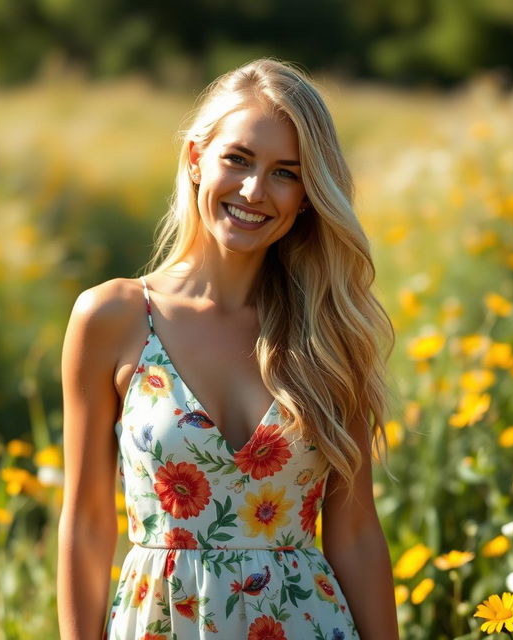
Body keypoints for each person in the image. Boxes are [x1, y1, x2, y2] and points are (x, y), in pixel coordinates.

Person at [58, 58, 399, 640]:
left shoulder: (329, 331)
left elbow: (357, 537)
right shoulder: (114, 317)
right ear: (196, 159)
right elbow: (88, 525)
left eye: (285, 173)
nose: (253, 190)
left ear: (309, 195)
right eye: (237, 159)